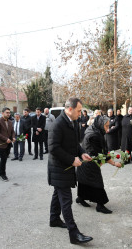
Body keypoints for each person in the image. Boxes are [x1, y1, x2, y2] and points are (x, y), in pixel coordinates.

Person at [48, 97, 93, 245]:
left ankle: (54, 219)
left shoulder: (73, 122)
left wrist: (81, 153)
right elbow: (53, 148)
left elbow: (75, 144)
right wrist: (71, 160)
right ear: (69, 109)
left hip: (65, 166)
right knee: (66, 200)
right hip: (59, 168)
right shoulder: (58, 124)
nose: (80, 114)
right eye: (79, 111)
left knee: (58, 194)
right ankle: (74, 234)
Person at [76, 116, 122, 214]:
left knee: (84, 180)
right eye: (106, 126)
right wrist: (114, 163)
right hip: (89, 160)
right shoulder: (95, 135)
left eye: (108, 126)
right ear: (100, 125)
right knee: (97, 182)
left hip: (85, 159)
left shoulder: (93, 129)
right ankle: (100, 205)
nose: (108, 129)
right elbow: (101, 155)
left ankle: (80, 198)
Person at [0, 107, 15, 182]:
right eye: (7, 112)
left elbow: (12, 131)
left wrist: (13, 137)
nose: (8, 114)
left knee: (4, 159)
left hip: (8, 144)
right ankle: (3, 174)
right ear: (2, 113)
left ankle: (0, 173)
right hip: (0, 144)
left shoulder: (10, 121)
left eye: (9, 113)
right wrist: (6, 139)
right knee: (3, 158)